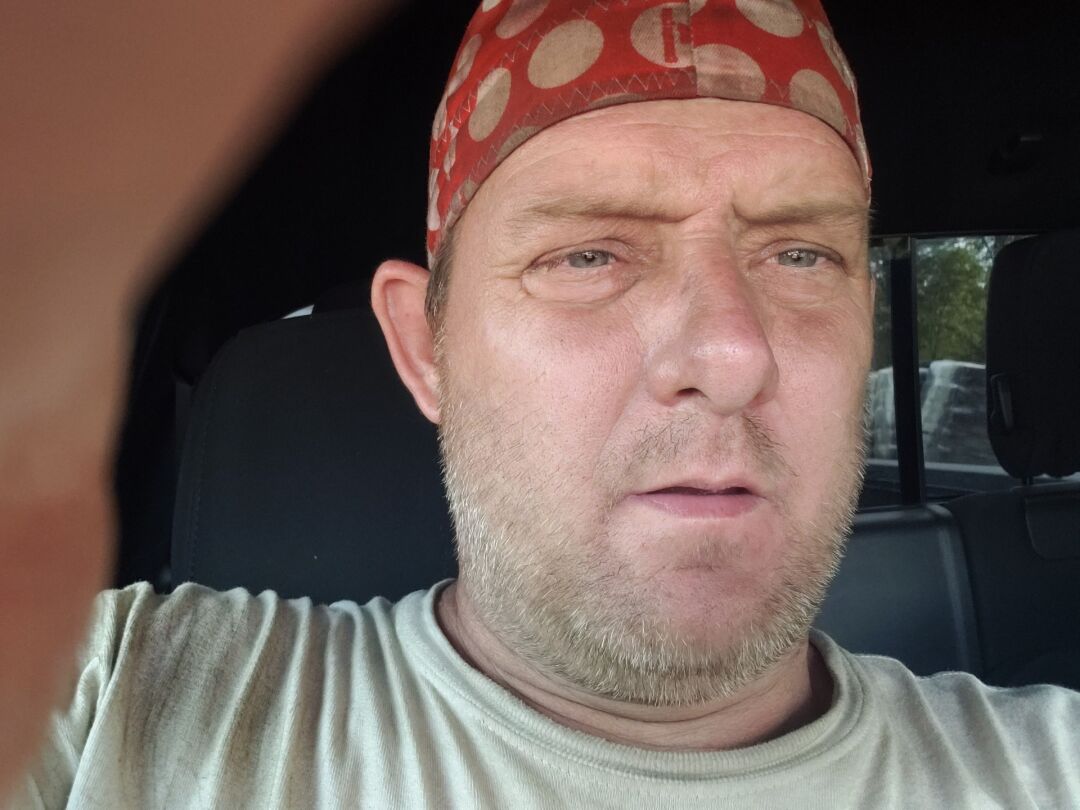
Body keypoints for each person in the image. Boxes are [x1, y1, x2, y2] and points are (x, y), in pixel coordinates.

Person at [3, 0, 1078, 807]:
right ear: (426, 349)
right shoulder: (107, 703)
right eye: (588, 255)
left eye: (801, 254)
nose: (732, 353)